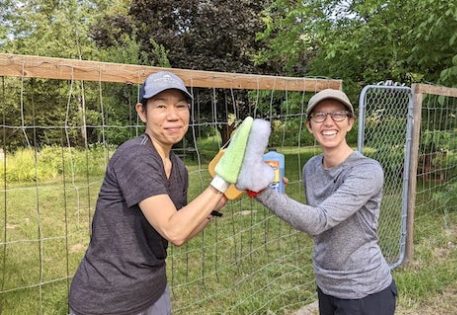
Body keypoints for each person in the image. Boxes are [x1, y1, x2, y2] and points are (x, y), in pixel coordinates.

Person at [68, 71, 233, 315]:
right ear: (142, 111)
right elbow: (174, 230)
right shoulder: (135, 155)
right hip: (107, 301)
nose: (173, 116)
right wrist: (222, 181)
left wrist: (224, 197)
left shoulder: (178, 169)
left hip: (153, 293)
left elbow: (183, 231)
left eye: (180, 106)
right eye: (160, 106)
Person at [247, 89, 397, 314]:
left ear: (350, 122)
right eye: (319, 116)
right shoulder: (311, 168)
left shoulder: (367, 171)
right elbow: (319, 228)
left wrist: (260, 191)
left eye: (337, 115)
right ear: (309, 125)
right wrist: (273, 190)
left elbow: (319, 221)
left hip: (364, 292)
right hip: (326, 286)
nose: (328, 122)